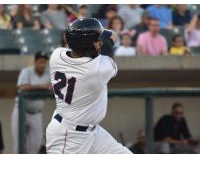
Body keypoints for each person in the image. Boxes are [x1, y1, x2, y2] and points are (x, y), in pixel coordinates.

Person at [46, 18, 132, 154]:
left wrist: (95, 33)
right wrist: (109, 36)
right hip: (68, 137)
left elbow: (95, 49)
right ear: (91, 46)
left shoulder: (56, 55)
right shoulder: (96, 71)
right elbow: (108, 46)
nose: (100, 43)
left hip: (93, 133)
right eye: (98, 42)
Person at [11, 52, 51, 154]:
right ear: (35, 62)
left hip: (36, 113)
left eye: (44, 62)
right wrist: (41, 86)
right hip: (21, 110)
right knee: (19, 144)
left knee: (36, 145)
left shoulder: (48, 74)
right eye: (40, 62)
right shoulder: (26, 71)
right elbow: (22, 87)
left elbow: (53, 87)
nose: (42, 64)